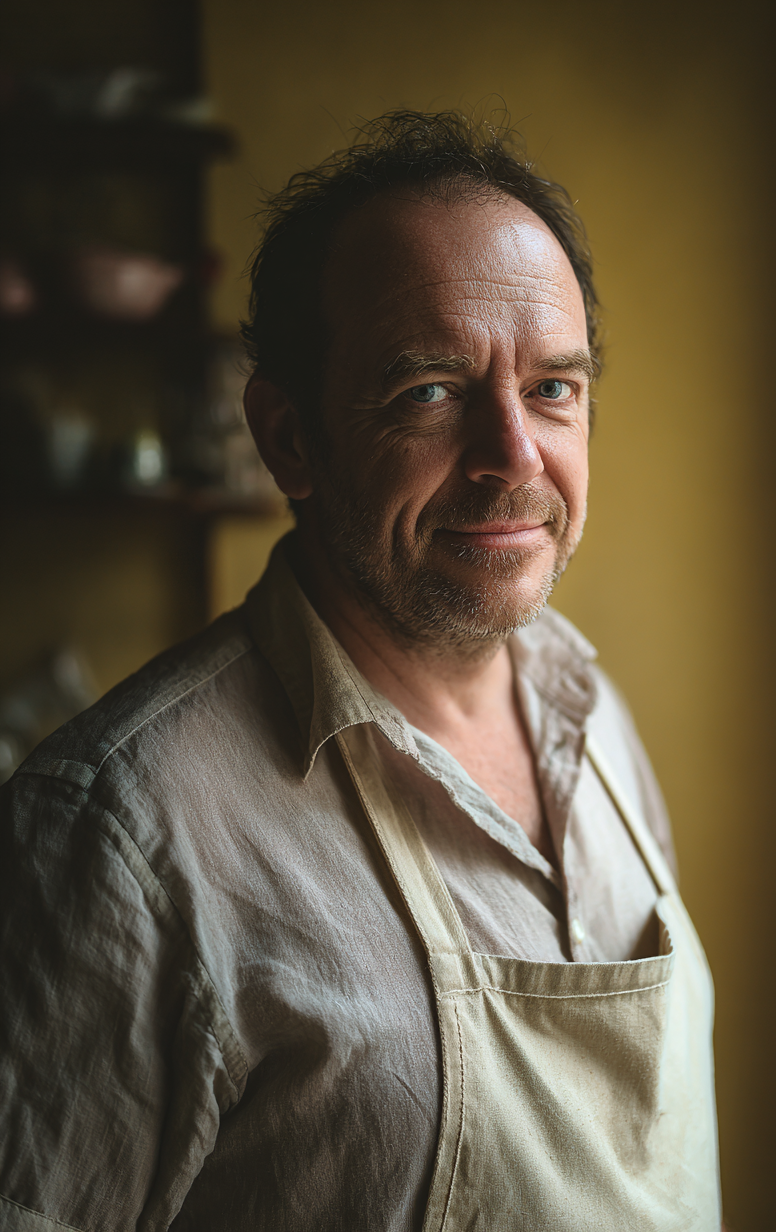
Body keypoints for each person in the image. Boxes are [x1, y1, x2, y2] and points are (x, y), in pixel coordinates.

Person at [0, 111, 721, 1231]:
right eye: (427, 390)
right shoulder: (121, 834)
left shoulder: (592, 712)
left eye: (552, 388)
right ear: (287, 438)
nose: (512, 456)